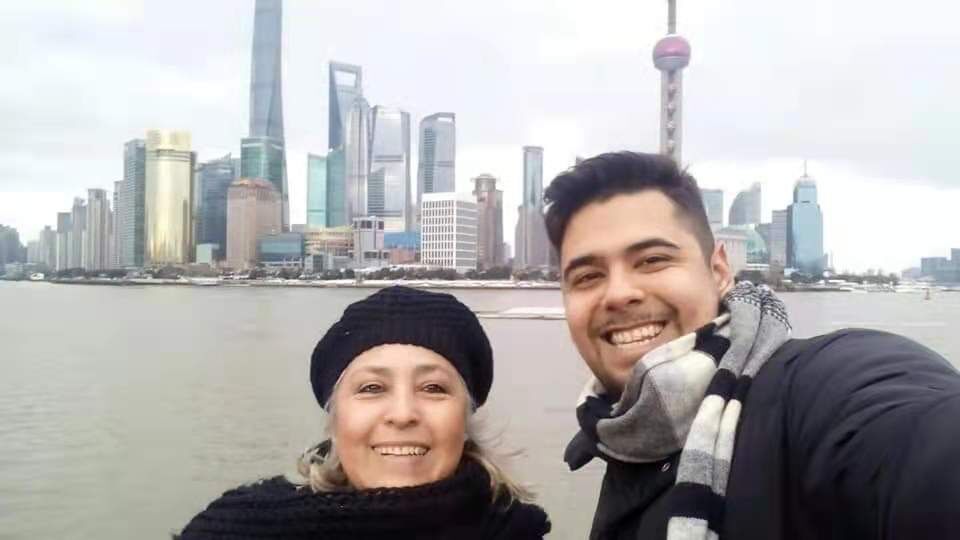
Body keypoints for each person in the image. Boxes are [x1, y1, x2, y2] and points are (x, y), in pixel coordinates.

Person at [545, 151, 960, 539]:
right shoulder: (621, 439)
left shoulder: (815, 393)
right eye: (587, 276)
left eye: (652, 260)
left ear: (719, 270)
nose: (618, 293)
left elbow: (919, 446)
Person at [177, 286, 550, 539]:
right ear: (334, 417)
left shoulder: (517, 531)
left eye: (433, 388)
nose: (403, 414)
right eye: (372, 388)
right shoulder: (235, 529)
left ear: (465, 419)